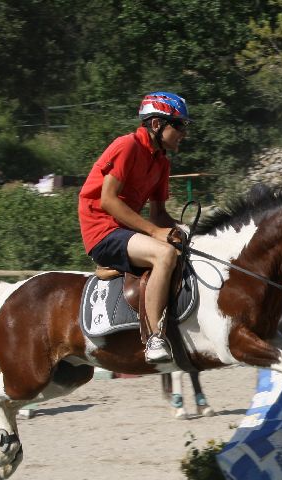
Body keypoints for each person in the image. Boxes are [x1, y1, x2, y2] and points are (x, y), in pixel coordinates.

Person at [78, 91, 190, 364]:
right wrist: (154, 233)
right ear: (156, 125)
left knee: (185, 247)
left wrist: (185, 230)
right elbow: (108, 200)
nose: (183, 133)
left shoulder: (162, 162)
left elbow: (159, 214)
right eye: (178, 125)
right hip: (102, 230)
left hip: (127, 230)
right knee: (164, 254)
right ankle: (154, 338)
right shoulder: (127, 145)